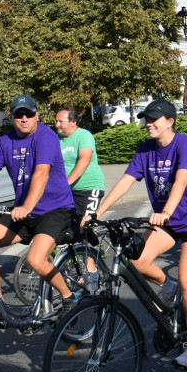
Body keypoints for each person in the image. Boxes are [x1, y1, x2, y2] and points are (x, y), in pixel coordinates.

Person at [88, 100, 187, 368]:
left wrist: (166, 212)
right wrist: (98, 212)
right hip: (167, 220)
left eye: (155, 118)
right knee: (137, 263)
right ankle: (167, 288)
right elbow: (125, 181)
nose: (149, 123)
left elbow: (181, 180)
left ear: (170, 121)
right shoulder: (145, 149)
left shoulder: (184, 144)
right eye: (146, 118)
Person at [0, 95, 78, 316]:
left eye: (29, 114)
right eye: (19, 115)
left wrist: (28, 206)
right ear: (11, 117)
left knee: (35, 260)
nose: (24, 118)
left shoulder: (46, 137)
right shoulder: (5, 142)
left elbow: (41, 173)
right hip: (23, 212)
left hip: (53, 210)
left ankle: (69, 296)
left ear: (37, 114)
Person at [55, 106, 105, 292]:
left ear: (73, 122)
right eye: (56, 121)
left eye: (61, 121)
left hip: (89, 187)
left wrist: (66, 183)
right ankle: (70, 259)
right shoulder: (56, 140)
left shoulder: (84, 136)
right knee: (64, 223)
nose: (57, 124)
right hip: (67, 190)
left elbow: (84, 160)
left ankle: (90, 269)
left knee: (86, 225)